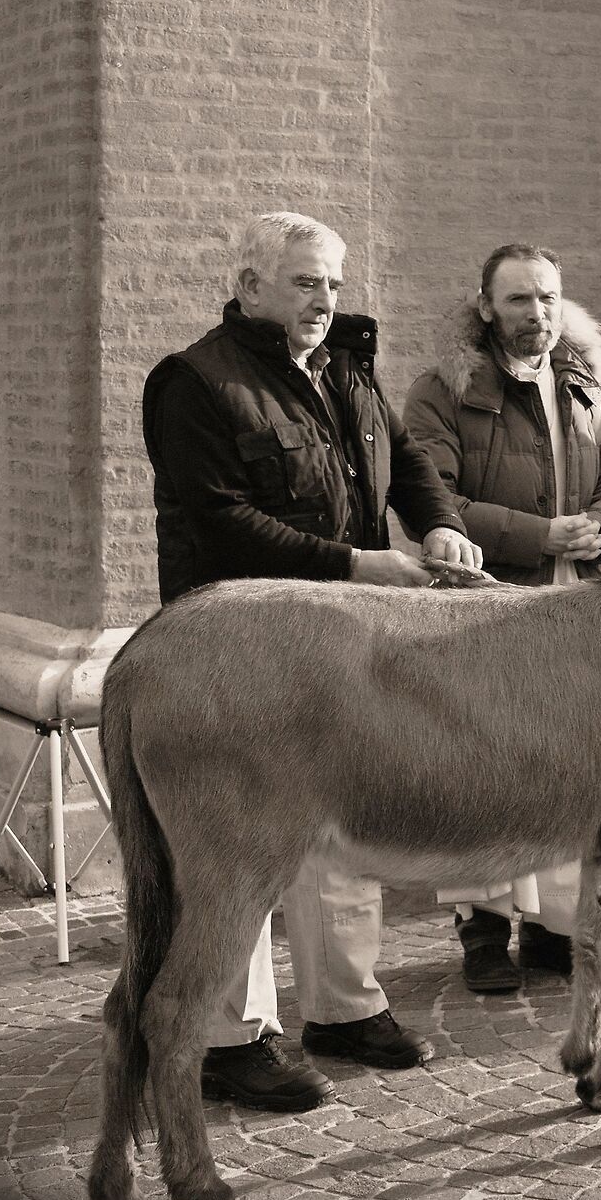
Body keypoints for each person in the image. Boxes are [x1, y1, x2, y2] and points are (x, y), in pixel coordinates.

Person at [143, 211, 481, 1112]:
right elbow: (219, 517)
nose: (325, 299)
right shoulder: (193, 383)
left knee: (340, 827)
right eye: (304, 281)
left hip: (341, 647)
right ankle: (230, 1036)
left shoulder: (345, 369)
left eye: (333, 282)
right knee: (241, 846)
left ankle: (342, 1007)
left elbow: (403, 460)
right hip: (234, 654)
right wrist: (356, 565)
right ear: (250, 285)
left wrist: (440, 520)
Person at [401, 243, 601, 992]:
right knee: (488, 767)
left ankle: (549, 924)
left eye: (547, 299)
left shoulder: (589, 380)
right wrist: (537, 535)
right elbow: (432, 499)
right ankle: (481, 926)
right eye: (518, 301)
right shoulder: (442, 390)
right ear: (484, 307)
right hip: (488, 604)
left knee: (567, 765)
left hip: (574, 598)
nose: (536, 315)